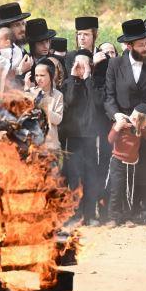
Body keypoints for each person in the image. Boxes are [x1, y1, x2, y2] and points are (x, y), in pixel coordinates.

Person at [104, 17, 146, 224]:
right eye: (141, 44)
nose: (145, 48)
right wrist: (116, 117)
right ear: (129, 45)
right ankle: (120, 214)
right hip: (124, 129)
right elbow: (109, 97)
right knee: (122, 175)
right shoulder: (115, 64)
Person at [60, 49, 110, 227]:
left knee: (91, 175)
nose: (81, 67)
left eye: (84, 64)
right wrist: (74, 79)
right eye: (77, 64)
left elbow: (97, 102)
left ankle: (91, 213)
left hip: (91, 136)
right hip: (73, 136)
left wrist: (88, 78)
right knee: (74, 176)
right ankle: (76, 213)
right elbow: (69, 102)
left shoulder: (95, 83)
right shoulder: (68, 84)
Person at [104, 105, 146, 227]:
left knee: (129, 192)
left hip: (132, 164)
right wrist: (117, 127)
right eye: (145, 124)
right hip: (117, 162)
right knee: (116, 190)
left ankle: (127, 217)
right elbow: (110, 140)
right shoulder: (122, 123)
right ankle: (113, 217)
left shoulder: (140, 128)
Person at [24, 58, 65, 154]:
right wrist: (26, 90)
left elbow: (58, 119)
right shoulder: (30, 92)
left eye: (42, 75)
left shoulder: (57, 95)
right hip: (32, 145)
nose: (38, 78)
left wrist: (43, 107)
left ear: (51, 76)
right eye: (36, 75)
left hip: (50, 146)